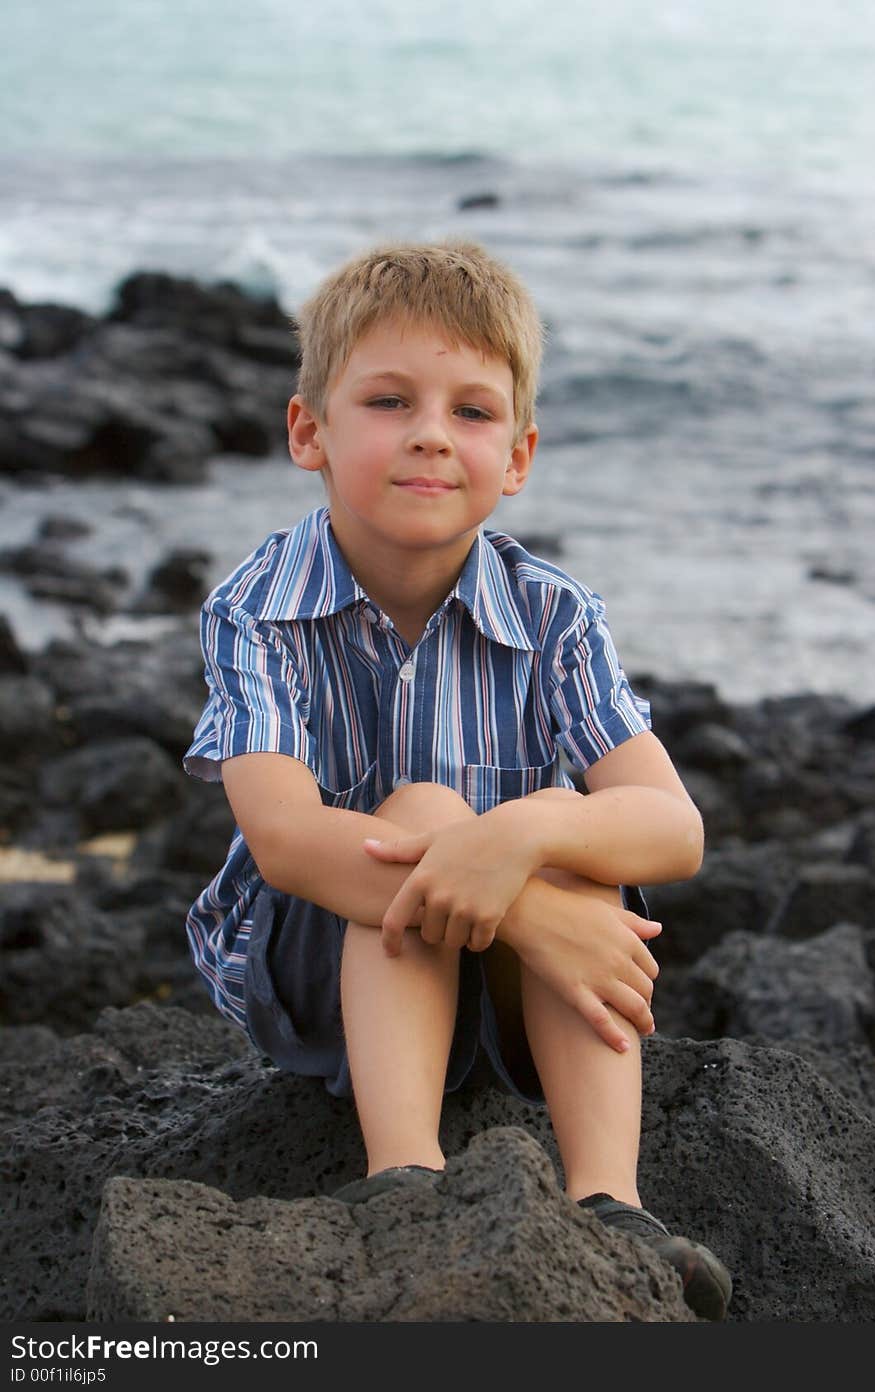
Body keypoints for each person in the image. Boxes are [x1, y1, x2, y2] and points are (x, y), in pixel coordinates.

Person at [183, 240, 732, 1320]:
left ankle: (612, 1207)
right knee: (441, 810)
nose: (432, 432)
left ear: (517, 457)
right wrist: (524, 901)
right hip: (310, 972)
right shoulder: (256, 607)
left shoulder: (553, 613)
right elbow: (289, 840)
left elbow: (675, 830)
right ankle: (407, 1183)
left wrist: (526, 845)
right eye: (389, 400)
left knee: (569, 825)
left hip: (501, 1003)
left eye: (472, 413)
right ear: (311, 431)